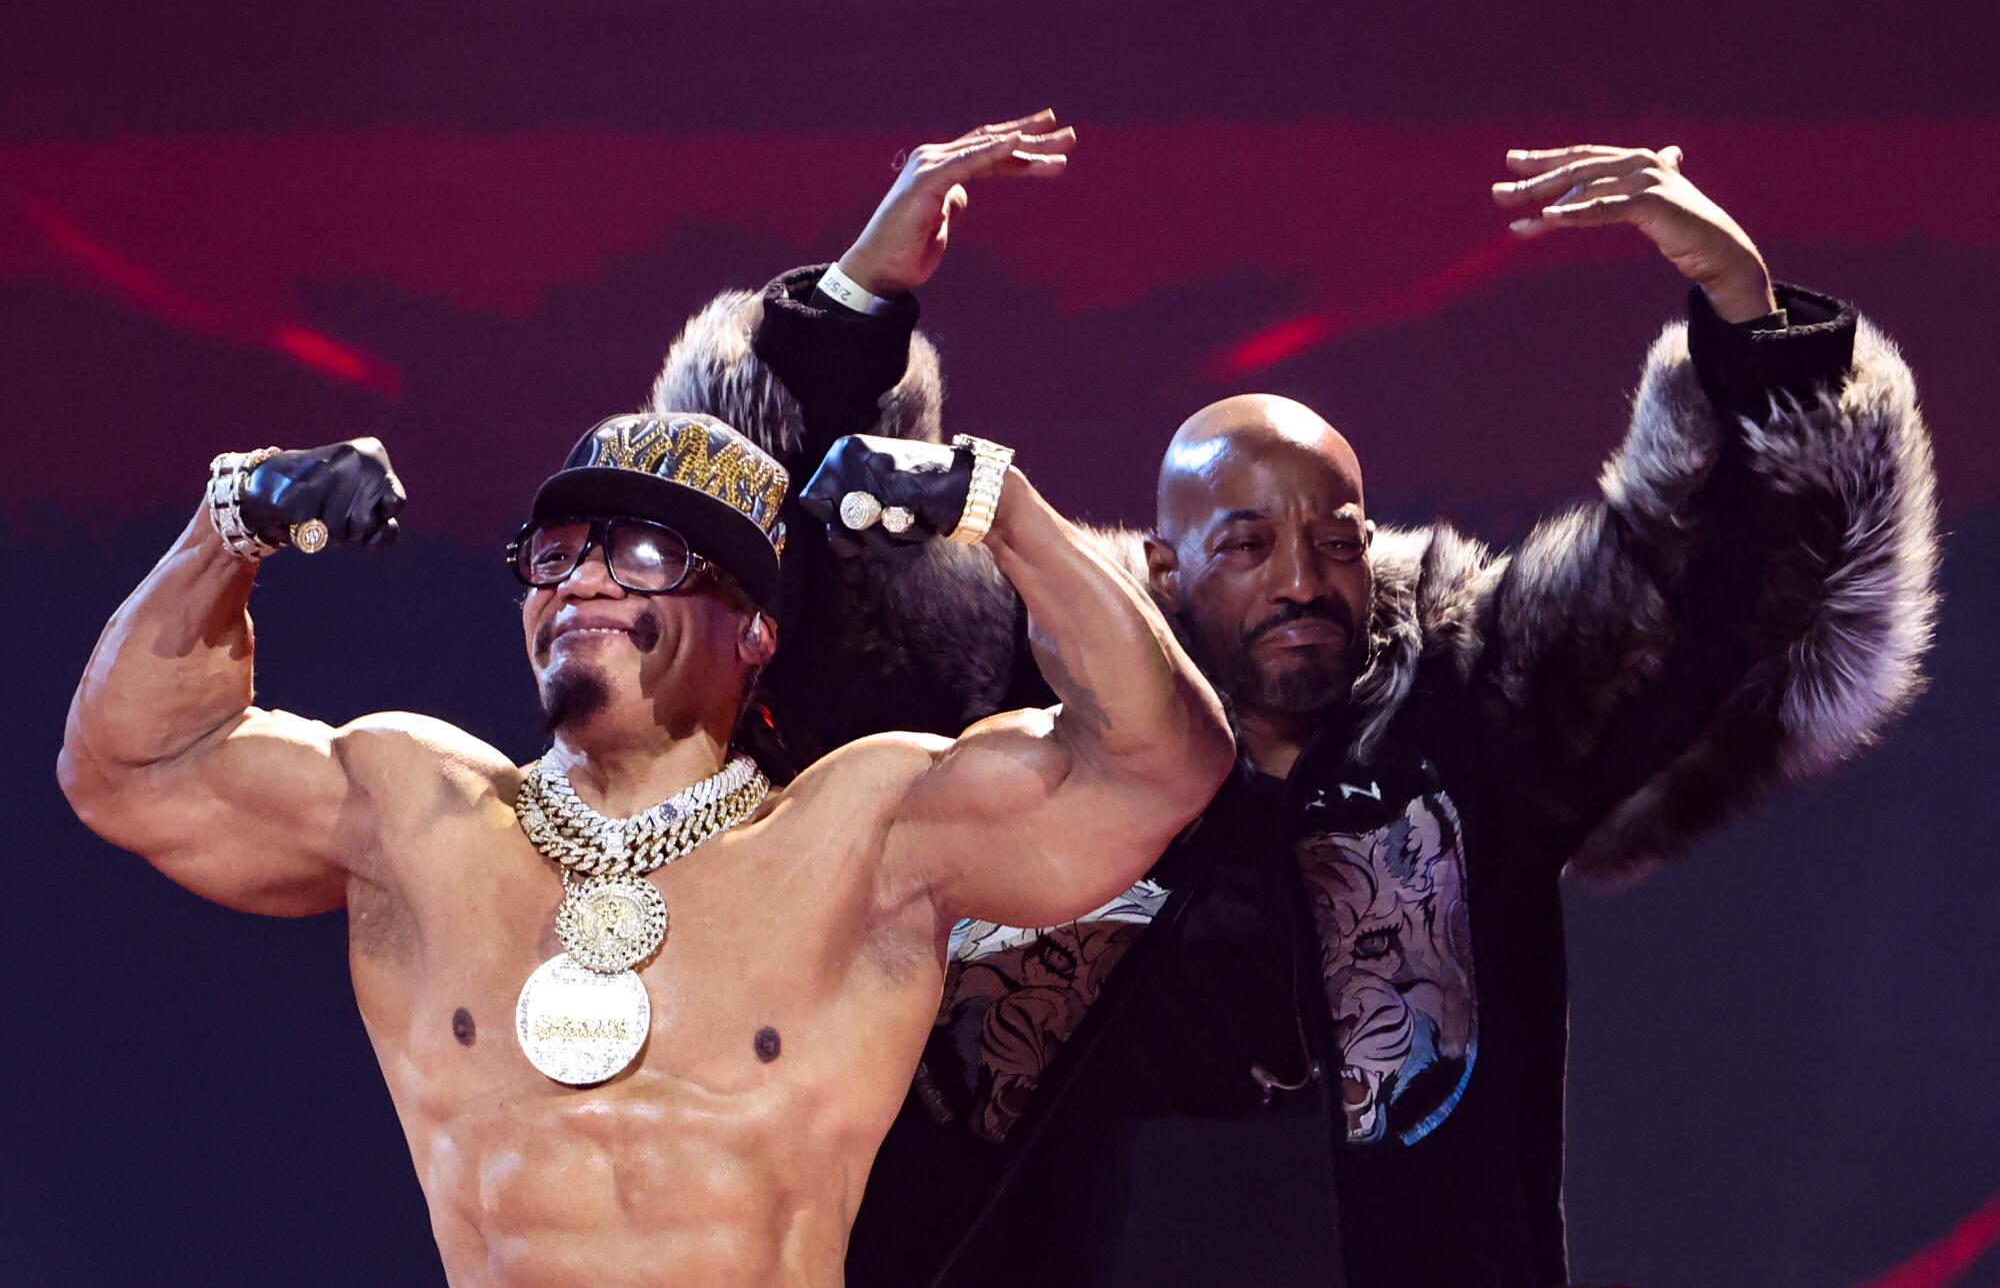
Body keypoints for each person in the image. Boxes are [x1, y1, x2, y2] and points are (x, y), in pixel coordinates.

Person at [657, 119, 1939, 1285]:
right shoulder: (1018, 680)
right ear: (1161, 565)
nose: (1301, 578)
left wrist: (1741, 309)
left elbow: (1708, 602)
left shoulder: (1473, 701)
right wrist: (851, 307)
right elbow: (784, 591)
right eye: (1247, 543)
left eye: (1333, 538)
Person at [55, 400, 1234, 1282]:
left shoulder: (861, 833)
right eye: (555, 555)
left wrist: (1002, 505)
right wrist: (234, 522)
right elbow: (126, 766)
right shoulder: (414, 813)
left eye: (647, 554)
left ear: (755, 627)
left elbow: (1160, 759)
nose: (582, 584)